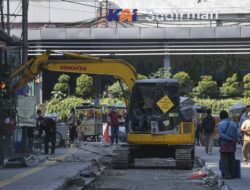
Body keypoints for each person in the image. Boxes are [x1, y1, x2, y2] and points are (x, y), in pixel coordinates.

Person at [218, 110, 238, 179]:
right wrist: (234, 141)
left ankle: (228, 175)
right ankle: (233, 174)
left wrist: (228, 139)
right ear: (227, 115)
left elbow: (221, 135)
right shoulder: (233, 123)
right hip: (232, 143)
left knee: (225, 160)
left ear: (221, 116)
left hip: (224, 143)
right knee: (232, 159)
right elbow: (236, 134)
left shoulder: (220, 124)